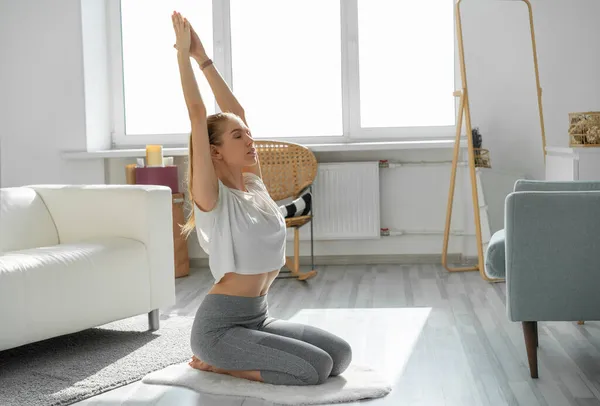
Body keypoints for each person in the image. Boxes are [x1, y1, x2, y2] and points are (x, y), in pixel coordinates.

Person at [171, 11, 352, 386]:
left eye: (247, 135)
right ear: (215, 152)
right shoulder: (213, 199)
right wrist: (182, 56)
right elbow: (197, 114)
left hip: (257, 316)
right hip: (219, 328)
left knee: (340, 356)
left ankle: (235, 356)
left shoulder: (253, 187)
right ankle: (217, 364)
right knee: (313, 369)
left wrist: (203, 60)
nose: (251, 140)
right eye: (238, 138)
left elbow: (236, 113)